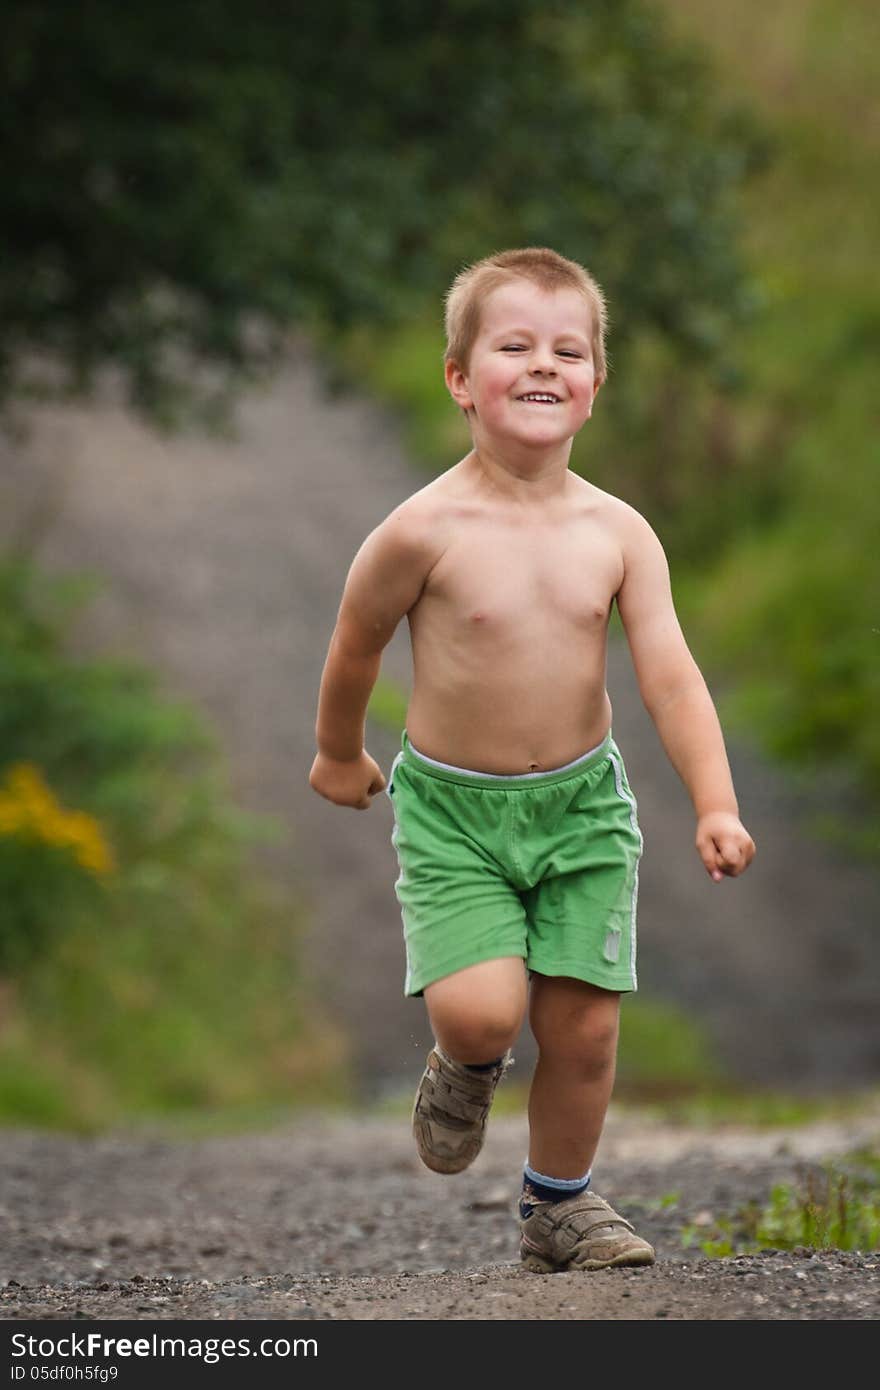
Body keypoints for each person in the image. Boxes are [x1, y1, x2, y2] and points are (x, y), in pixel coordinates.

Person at [309, 246, 756, 1272]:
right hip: (453, 813)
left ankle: (559, 1205)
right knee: (482, 1009)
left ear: (595, 383)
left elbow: (672, 680)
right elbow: (353, 643)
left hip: (582, 809)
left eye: (569, 348)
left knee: (586, 1028)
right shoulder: (418, 530)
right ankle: (464, 1064)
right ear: (461, 378)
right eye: (513, 345)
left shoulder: (619, 533)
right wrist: (339, 752)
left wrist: (715, 803)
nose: (543, 363)